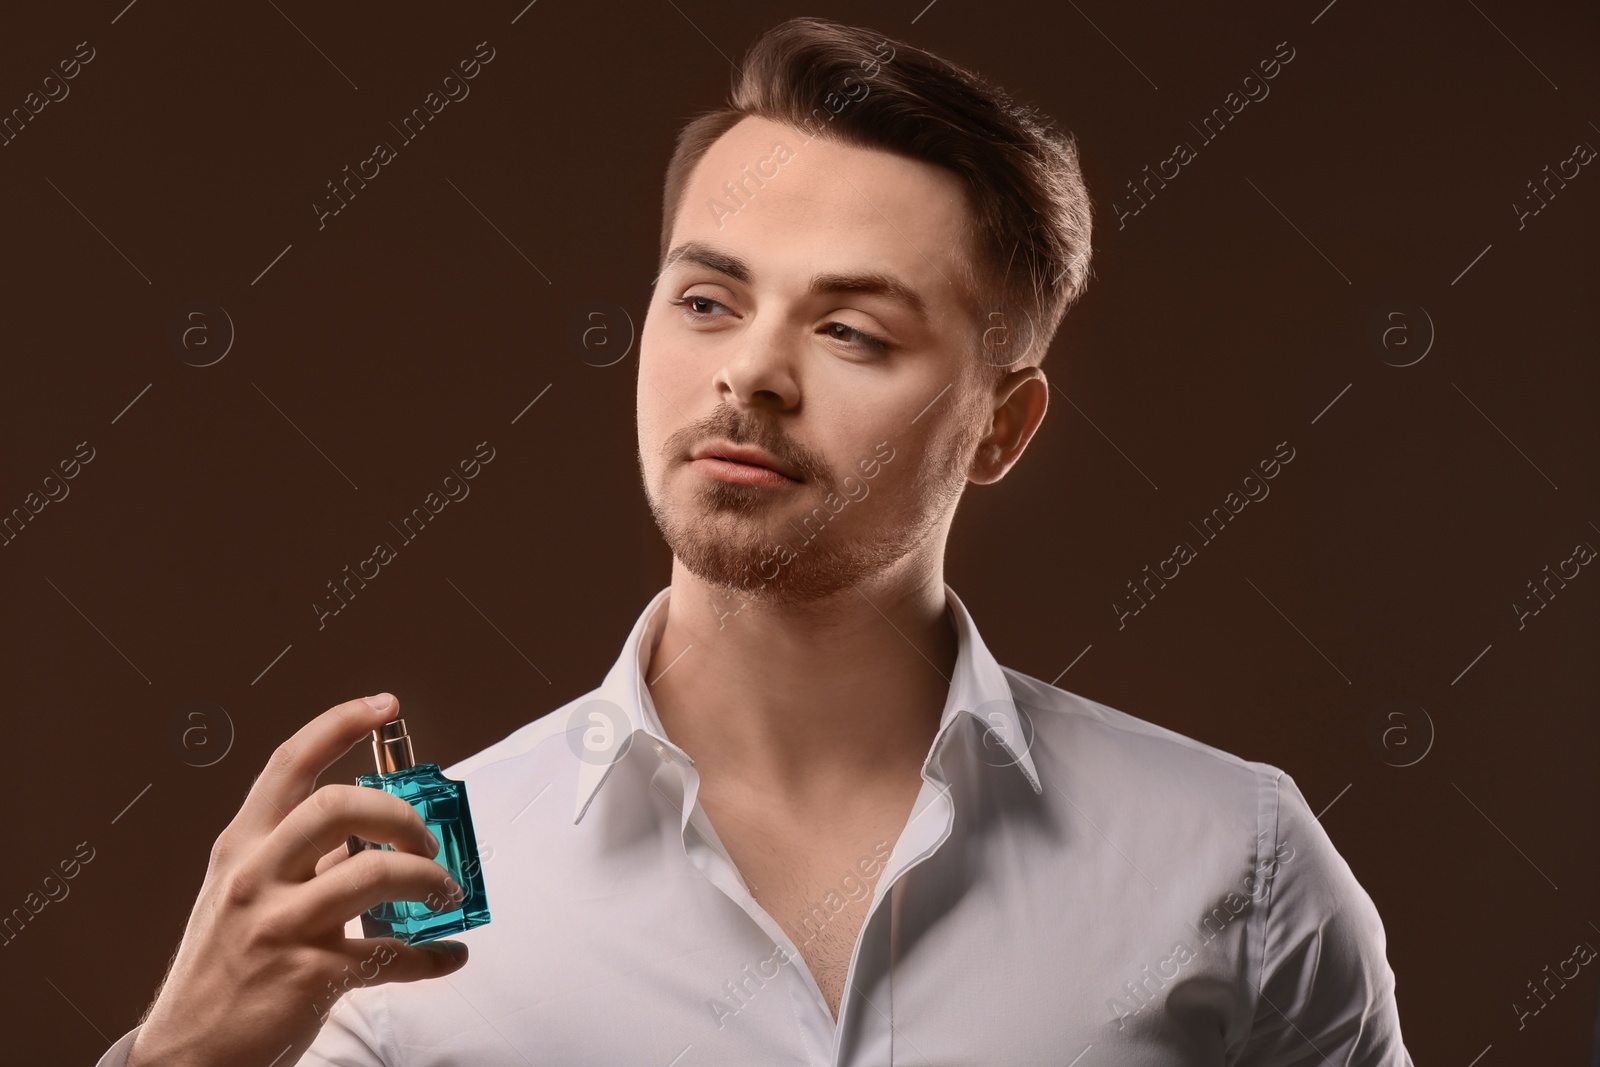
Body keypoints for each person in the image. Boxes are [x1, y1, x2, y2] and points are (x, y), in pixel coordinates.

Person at [96, 16, 1412, 1065]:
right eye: (709, 299)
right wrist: (186, 1057)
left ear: (1003, 427)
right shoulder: (402, 924)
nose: (752, 376)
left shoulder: (1231, 865)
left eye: (852, 330)